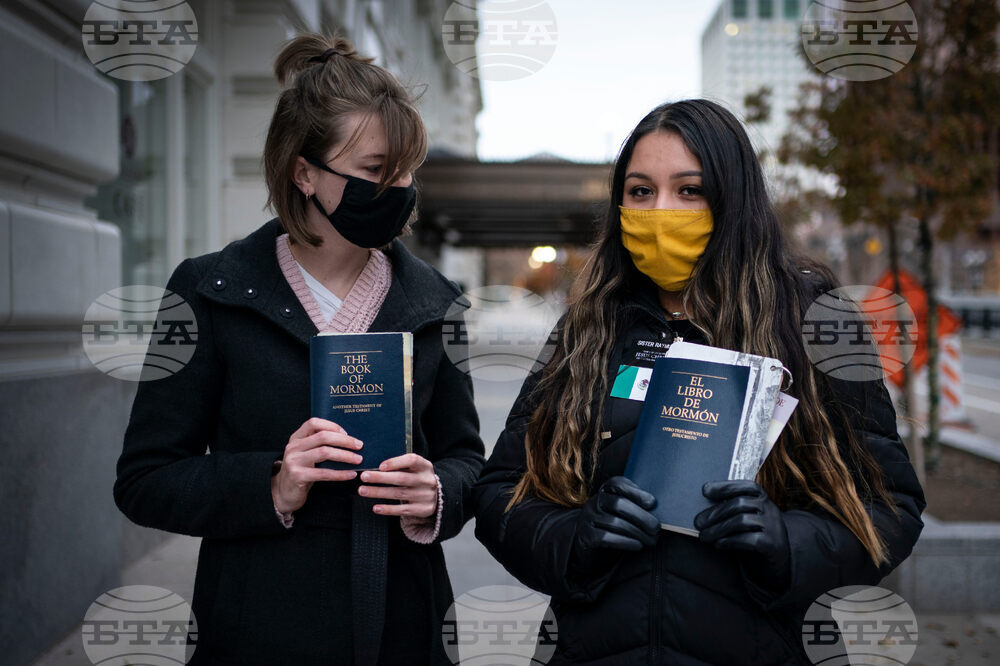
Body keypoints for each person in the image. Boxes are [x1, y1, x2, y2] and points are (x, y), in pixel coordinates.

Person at [473, 99, 925, 665]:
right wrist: (576, 539)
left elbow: (892, 505)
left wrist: (786, 543)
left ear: (733, 199)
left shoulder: (811, 319)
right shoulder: (587, 326)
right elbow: (499, 496)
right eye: (640, 191)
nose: (661, 210)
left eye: (689, 190)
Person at [114, 33, 484, 665]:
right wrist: (273, 484)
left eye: (406, 171)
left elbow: (468, 459)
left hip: (403, 618)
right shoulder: (210, 291)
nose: (397, 188)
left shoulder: (438, 302)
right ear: (303, 171)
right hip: (257, 618)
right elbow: (145, 480)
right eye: (374, 171)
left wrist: (440, 494)